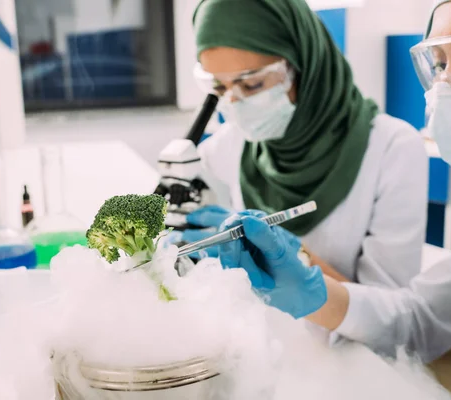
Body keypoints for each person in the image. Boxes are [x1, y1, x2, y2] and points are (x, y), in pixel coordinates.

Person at [216, 0, 451, 399]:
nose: (450, 92)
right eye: (440, 66)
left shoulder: (388, 143)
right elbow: (418, 321)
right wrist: (312, 291)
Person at [173, 0, 429, 291]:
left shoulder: (392, 148)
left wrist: (294, 259)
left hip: (340, 337)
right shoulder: (229, 145)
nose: (234, 103)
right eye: (219, 87)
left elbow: (393, 316)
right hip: (252, 331)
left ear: (305, 66)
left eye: (253, 84)